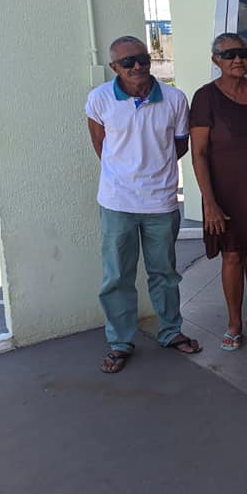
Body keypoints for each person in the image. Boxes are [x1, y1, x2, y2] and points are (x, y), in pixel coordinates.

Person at [85, 36, 200, 373]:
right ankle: (120, 342)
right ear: (114, 68)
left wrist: (155, 171)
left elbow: (180, 146)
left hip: (161, 201)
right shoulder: (100, 99)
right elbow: (100, 144)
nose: (138, 67)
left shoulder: (175, 98)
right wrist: (126, 174)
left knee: (164, 272)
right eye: (128, 62)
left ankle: (171, 331)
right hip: (117, 202)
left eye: (143, 59)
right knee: (117, 276)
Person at [190, 33, 247, 351]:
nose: (237, 59)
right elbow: (198, 153)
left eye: (242, 53)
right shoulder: (205, 97)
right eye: (229, 55)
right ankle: (234, 323)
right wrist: (209, 203)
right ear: (215, 60)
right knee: (232, 255)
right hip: (224, 193)